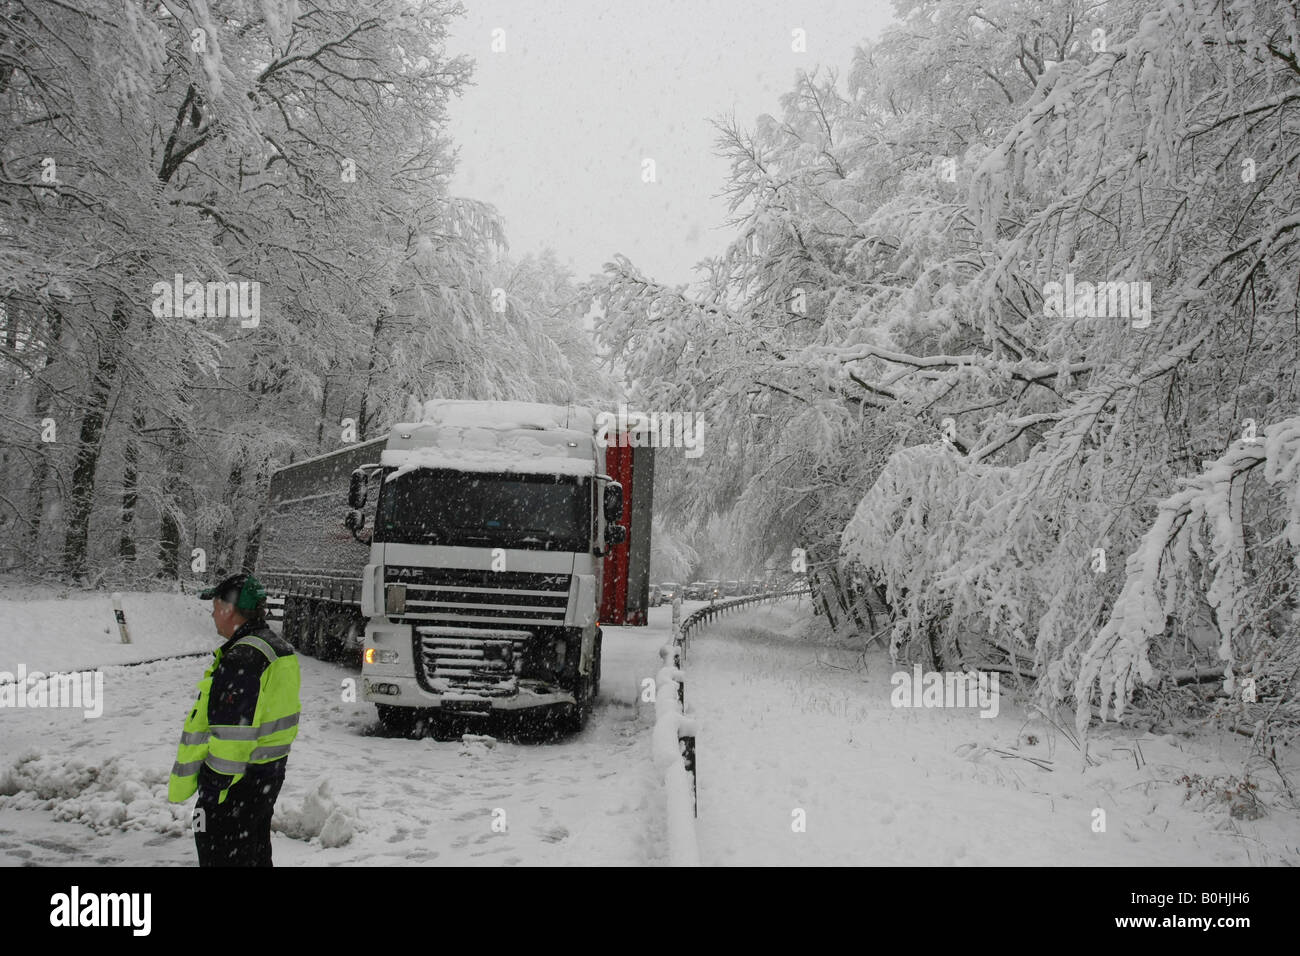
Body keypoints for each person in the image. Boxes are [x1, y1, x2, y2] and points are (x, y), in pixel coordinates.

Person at [168, 572, 301, 866]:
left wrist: (213, 789)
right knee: (253, 854)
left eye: (216, 606)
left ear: (229, 609)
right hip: (265, 776)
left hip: (233, 787)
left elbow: (233, 735)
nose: (213, 614)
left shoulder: (244, 657)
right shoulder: (277, 649)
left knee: (222, 857)